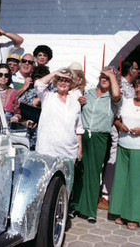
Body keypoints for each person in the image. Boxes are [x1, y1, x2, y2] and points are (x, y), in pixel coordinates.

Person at [70, 66, 122, 224]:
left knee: (93, 173)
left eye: (107, 77)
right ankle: (75, 206)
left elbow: (117, 95)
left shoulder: (114, 97)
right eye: (102, 76)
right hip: (83, 134)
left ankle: (89, 210)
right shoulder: (89, 92)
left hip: (100, 136)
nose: (104, 79)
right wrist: (80, 102)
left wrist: (112, 75)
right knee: (79, 170)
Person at [109, 76, 140, 230]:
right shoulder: (126, 102)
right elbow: (115, 119)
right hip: (123, 145)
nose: (139, 90)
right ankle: (120, 212)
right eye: (137, 86)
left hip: (138, 148)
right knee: (121, 180)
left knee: (135, 183)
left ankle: (134, 216)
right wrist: (120, 125)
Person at [34, 68, 83, 160]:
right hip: (47, 150)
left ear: (71, 84)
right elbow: (38, 84)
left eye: (67, 80)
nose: (63, 83)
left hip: (69, 152)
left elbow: (78, 128)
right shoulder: (48, 97)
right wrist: (55, 73)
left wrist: (79, 148)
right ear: (56, 82)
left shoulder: (75, 102)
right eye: (60, 79)